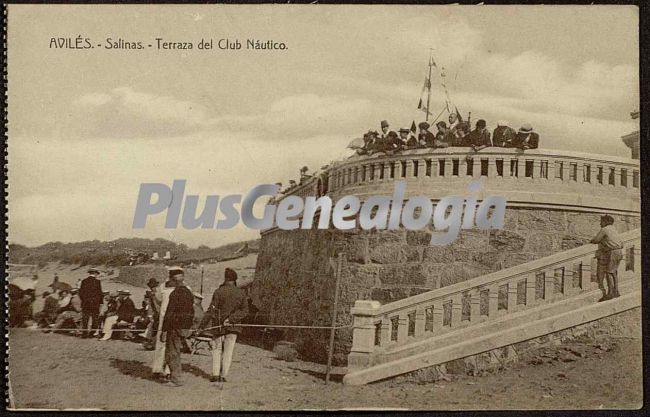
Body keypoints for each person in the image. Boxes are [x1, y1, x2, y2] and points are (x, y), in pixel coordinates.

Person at [200, 268, 248, 383]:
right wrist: (231, 319)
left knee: (216, 350)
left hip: (218, 327)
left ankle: (215, 374)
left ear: (225, 279)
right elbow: (245, 311)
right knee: (228, 352)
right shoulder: (241, 293)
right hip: (233, 327)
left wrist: (202, 326)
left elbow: (210, 311)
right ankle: (224, 375)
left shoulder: (218, 292)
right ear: (235, 279)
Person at [161, 269, 194, 387]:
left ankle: (176, 379)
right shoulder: (189, 293)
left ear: (172, 280)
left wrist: (164, 330)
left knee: (172, 352)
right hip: (185, 326)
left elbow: (169, 313)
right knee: (177, 351)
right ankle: (176, 376)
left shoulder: (175, 294)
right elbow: (191, 311)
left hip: (174, 326)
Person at [152, 268, 180, 380]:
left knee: (170, 346)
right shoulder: (163, 287)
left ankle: (168, 370)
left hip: (173, 320)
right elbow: (157, 300)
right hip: (164, 319)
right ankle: (157, 369)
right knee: (161, 345)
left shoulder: (183, 288)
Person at [591, 215, 623, 302]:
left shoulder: (604, 229)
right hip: (619, 251)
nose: (600, 223)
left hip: (613, 252)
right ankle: (616, 291)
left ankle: (610, 293)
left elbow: (596, 240)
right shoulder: (614, 229)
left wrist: (592, 240)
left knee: (608, 272)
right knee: (614, 272)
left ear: (605, 222)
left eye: (601, 221)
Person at [79, 268, 103, 338]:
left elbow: (81, 293)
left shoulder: (84, 281)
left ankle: (84, 334)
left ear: (90, 273)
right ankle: (91, 334)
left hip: (85, 304)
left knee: (85, 320)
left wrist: (84, 300)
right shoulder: (97, 282)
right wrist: (100, 302)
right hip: (95, 304)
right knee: (95, 319)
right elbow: (100, 293)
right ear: (95, 273)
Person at [143, 278, 161, 350]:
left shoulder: (158, 294)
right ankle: (151, 343)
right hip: (155, 314)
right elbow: (149, 306)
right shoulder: (149, 295)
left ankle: (152, 343)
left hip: (160, 313)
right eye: (152, 287)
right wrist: (150, 315)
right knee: (153, 327)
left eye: (154, 287)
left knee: (155, 328)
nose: (153, 288)